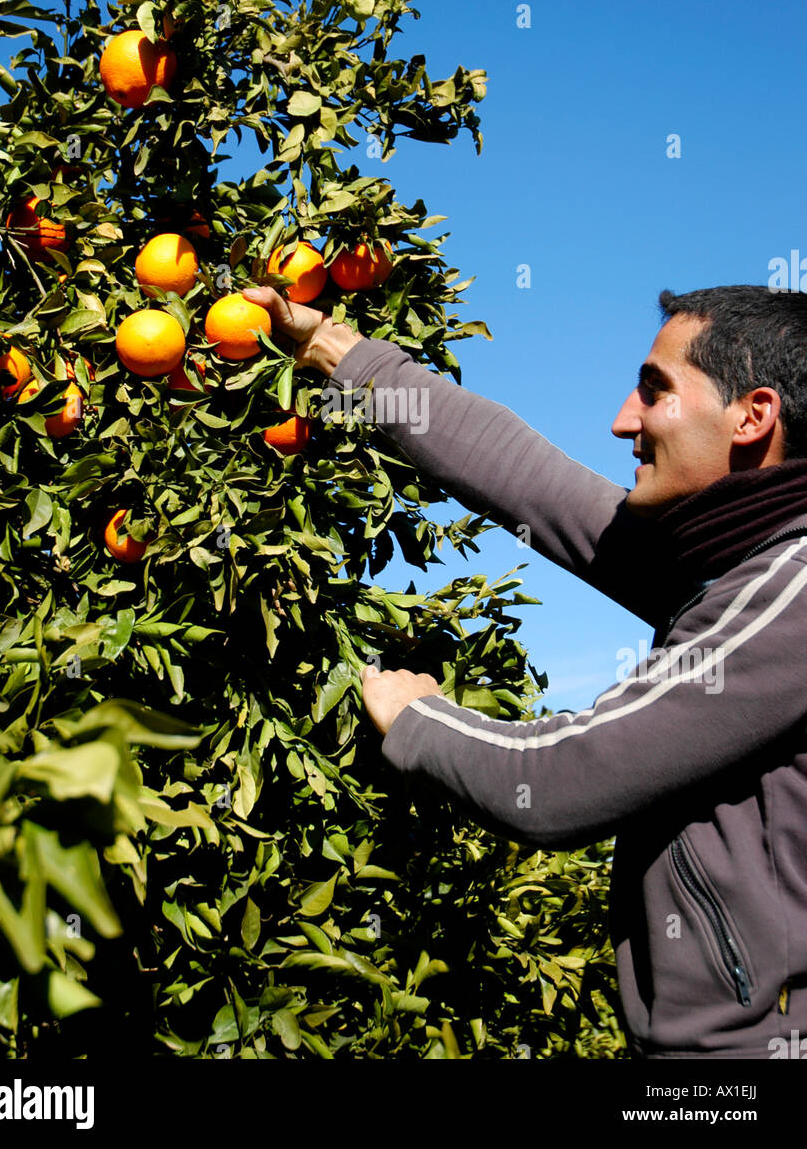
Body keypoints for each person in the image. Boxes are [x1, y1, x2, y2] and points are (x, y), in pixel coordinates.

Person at [243, 280, 807, 1060]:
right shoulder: (727, 562)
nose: (622, 421)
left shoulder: (794, 589)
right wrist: (335, 349)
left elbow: (560, 782)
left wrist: (417, 718)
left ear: (753, 416)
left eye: (655, 391)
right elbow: (528, 481)